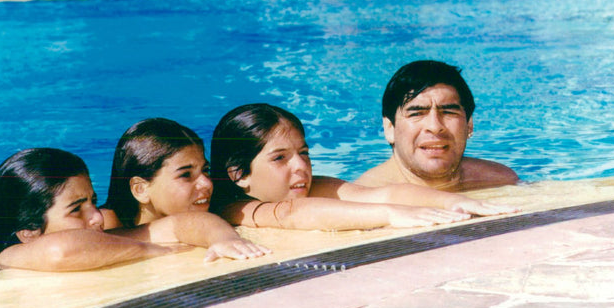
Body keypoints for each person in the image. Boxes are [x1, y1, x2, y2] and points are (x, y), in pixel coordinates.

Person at [209, 103, 517, 231]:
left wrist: (456, 202)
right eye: (280, 158)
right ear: (239, 175)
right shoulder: (232, 208)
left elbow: (383, 193)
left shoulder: (309, 187)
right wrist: (389, 216)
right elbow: (291, 214)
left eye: (303, 153)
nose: (300, 166)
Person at [0, 148, 266, 272]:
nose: (97, 217)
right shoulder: (8, 256)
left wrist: (223, 239)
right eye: (76, 210)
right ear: (28, 232)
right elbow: (60, 251)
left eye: (92, 202)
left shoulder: (107, 239)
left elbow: (187, 221)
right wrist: (153, 249)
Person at [100, 117, 271, 259]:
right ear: (141, 189)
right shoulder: (104, 222)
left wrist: (225, 238)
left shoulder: (215, 207)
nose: (207, 183)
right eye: (185, 175)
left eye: (206, 170)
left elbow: (200, 223)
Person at [355, 60, 519, 191]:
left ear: (469, 125)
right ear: (390, 128)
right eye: (417, 113)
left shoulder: (499, 181)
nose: (435, 126)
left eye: (448, 112)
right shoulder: (365, 199)